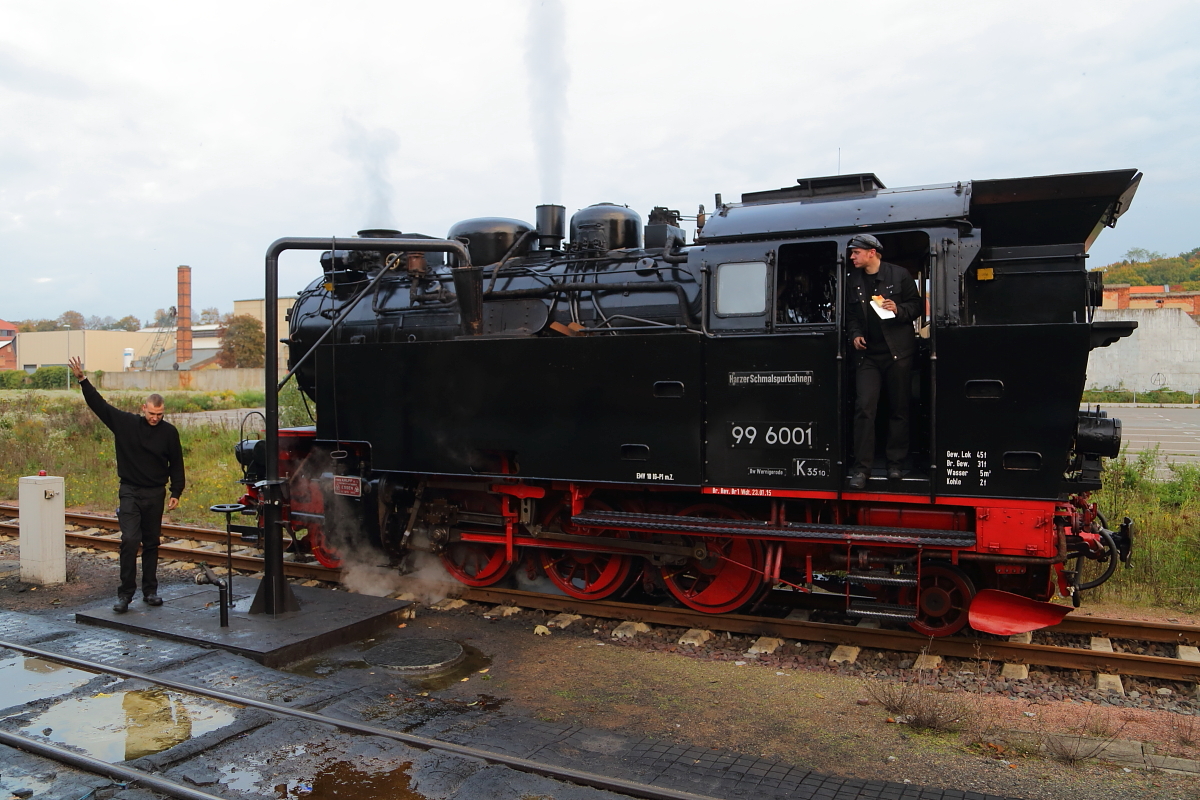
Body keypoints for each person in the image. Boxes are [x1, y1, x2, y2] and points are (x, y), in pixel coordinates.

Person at [69, 357, 185, 613]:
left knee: (152, 543)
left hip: (156, 493)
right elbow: (100, 406)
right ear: (143, 408)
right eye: (151, 413)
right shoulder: (126, 424)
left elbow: (176, 463)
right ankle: (125, 594)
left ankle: (150, 591)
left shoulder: (169, 433)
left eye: (159, 414)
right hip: (130, 491)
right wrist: (82, 380)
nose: (155, 418)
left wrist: (176, 491)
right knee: (130, 540)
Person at [844, 234, 920, 489]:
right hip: (867, 356)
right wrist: (855, 335)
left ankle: (895, 464)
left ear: (871, 253)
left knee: (899, 409)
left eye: (855, 252)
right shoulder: (852, 280)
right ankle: (861, 469)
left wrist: (898, 309)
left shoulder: (899, 275)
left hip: (898, 353)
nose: (852, 257)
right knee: (864, 408)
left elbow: (916, 306)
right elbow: (851, 316)